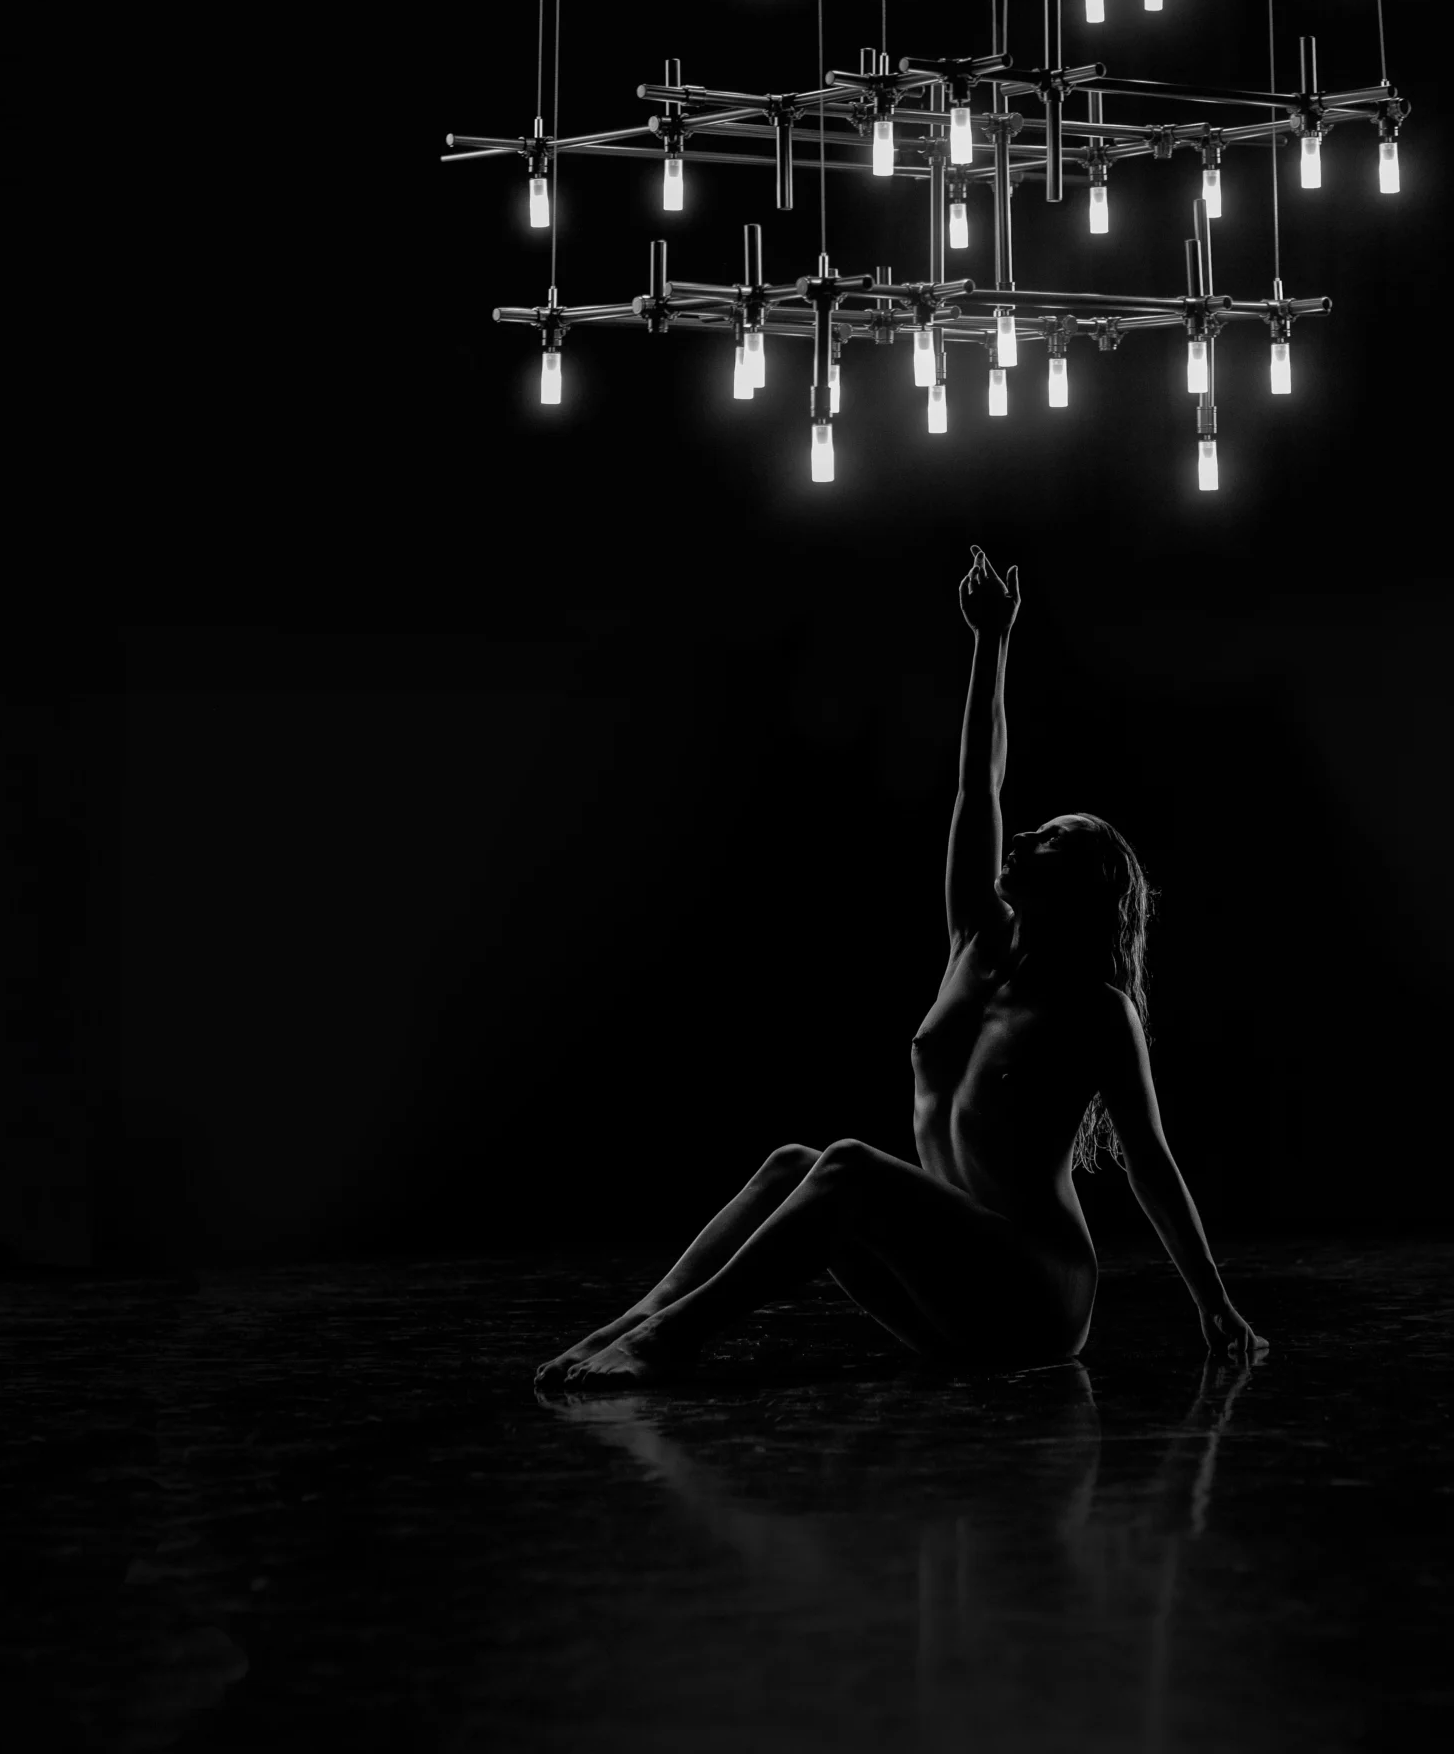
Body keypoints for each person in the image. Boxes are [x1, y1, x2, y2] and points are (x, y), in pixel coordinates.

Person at [535, 545, 1266, 1388]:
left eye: (1051, 840)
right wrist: (992, 641)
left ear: (1084, 888)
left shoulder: (1096, 1009)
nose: (1023, 838)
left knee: (845, 1161)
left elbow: (1151, 1160)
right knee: (789, 1164)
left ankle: (669, 1343)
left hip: (1036, 1296)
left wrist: (1213, 1300)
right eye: (1032, 830)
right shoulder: (975, 941)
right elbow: (976, 788)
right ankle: (633, 1324)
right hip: (950, 1292)